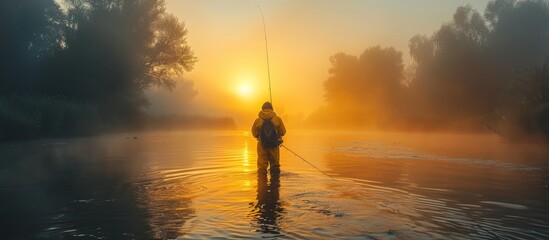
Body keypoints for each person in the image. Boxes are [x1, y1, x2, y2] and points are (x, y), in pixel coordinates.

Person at [251, 102, 286, 174]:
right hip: (274, 145)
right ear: (272, 109)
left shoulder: (258, 120)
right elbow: (283, 132)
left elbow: (254, 134)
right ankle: (275, 182)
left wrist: (260, 136)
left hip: (262, 145)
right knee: (275, 166)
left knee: (262, 167)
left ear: (262, 109)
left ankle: (262, 181)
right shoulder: (277, 119)